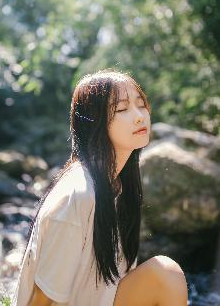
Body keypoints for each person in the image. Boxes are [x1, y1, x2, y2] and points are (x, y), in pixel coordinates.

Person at [11, 68, 188, 306]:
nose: (139, 116)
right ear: (95, 123)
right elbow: (42, 300)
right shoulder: (78, 195)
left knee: (165, 274)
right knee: (165, 273)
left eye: (141, 105)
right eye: (122, 109)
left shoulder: (119, 184)